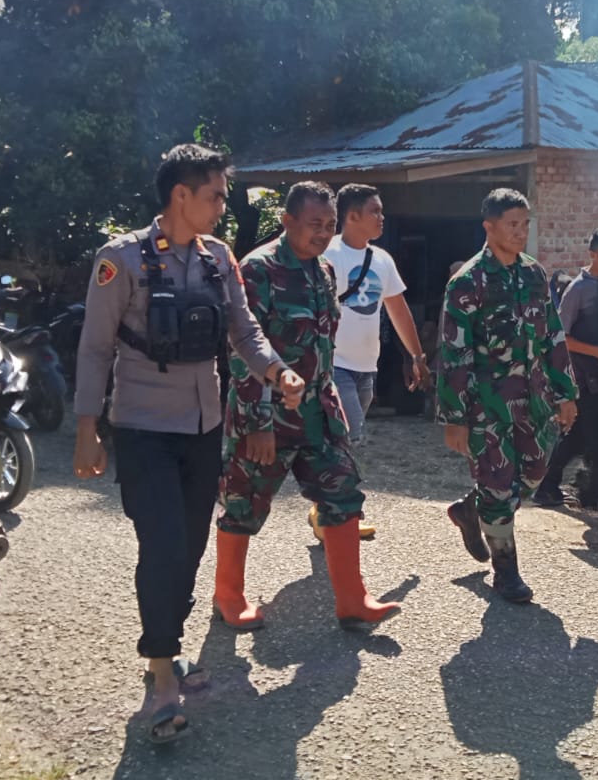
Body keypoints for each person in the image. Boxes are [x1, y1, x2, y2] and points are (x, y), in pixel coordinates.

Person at [72, 143, 304, 745]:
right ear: (181, 195)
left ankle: (166, 648)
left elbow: (244, 330)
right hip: (144, 427)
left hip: (204, 427)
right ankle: (160, 672)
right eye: (215, 195)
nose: (223, 206)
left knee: (192, 547)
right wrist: (87, 429)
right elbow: (96, 349)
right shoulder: (118, 260)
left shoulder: (217, 259)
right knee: (164, 545)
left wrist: (277, 371)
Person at [214, 181, 400, 633]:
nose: (322, 233)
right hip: (266, 417)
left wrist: (329, 402)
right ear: (288, 221)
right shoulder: (257, 270)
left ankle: (352, 600)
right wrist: (257, 422)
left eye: (329, 225)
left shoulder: (324, 272)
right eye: (314, 224)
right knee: (245, 504)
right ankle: (229, 595)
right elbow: (242, 350)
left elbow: (323, 343)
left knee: (342, 494)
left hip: (318, 413)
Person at [437, 188, 578, 603]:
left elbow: (553, 334)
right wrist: (454, 417)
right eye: (512, 225)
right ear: (489, 227)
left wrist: (565, 392)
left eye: (525, 224)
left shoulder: (534, 274)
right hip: (487, 405)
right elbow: (453, 353)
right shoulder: (467, 284)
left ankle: (470, 510)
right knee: (499, 485)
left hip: (534, 399)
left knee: (533, 474)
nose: (521, 233)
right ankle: (506, 572)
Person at [313, 183, 430, 540]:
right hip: (335, 365)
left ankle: (323, 506)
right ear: (351, 217)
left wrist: (417, 356)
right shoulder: (326, 255)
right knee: (352, 437)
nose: (382, 218)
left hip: (368, 367)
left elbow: (397, 309)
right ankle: (345, 514)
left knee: (340, 442)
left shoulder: (382, 260)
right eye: (375, 212)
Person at [534, 226, 598, 511]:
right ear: (593, 254)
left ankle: (546, 487)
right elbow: (561, 338)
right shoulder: (577, 290)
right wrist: (597, 352)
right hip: (583, 377)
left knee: (577, 437)